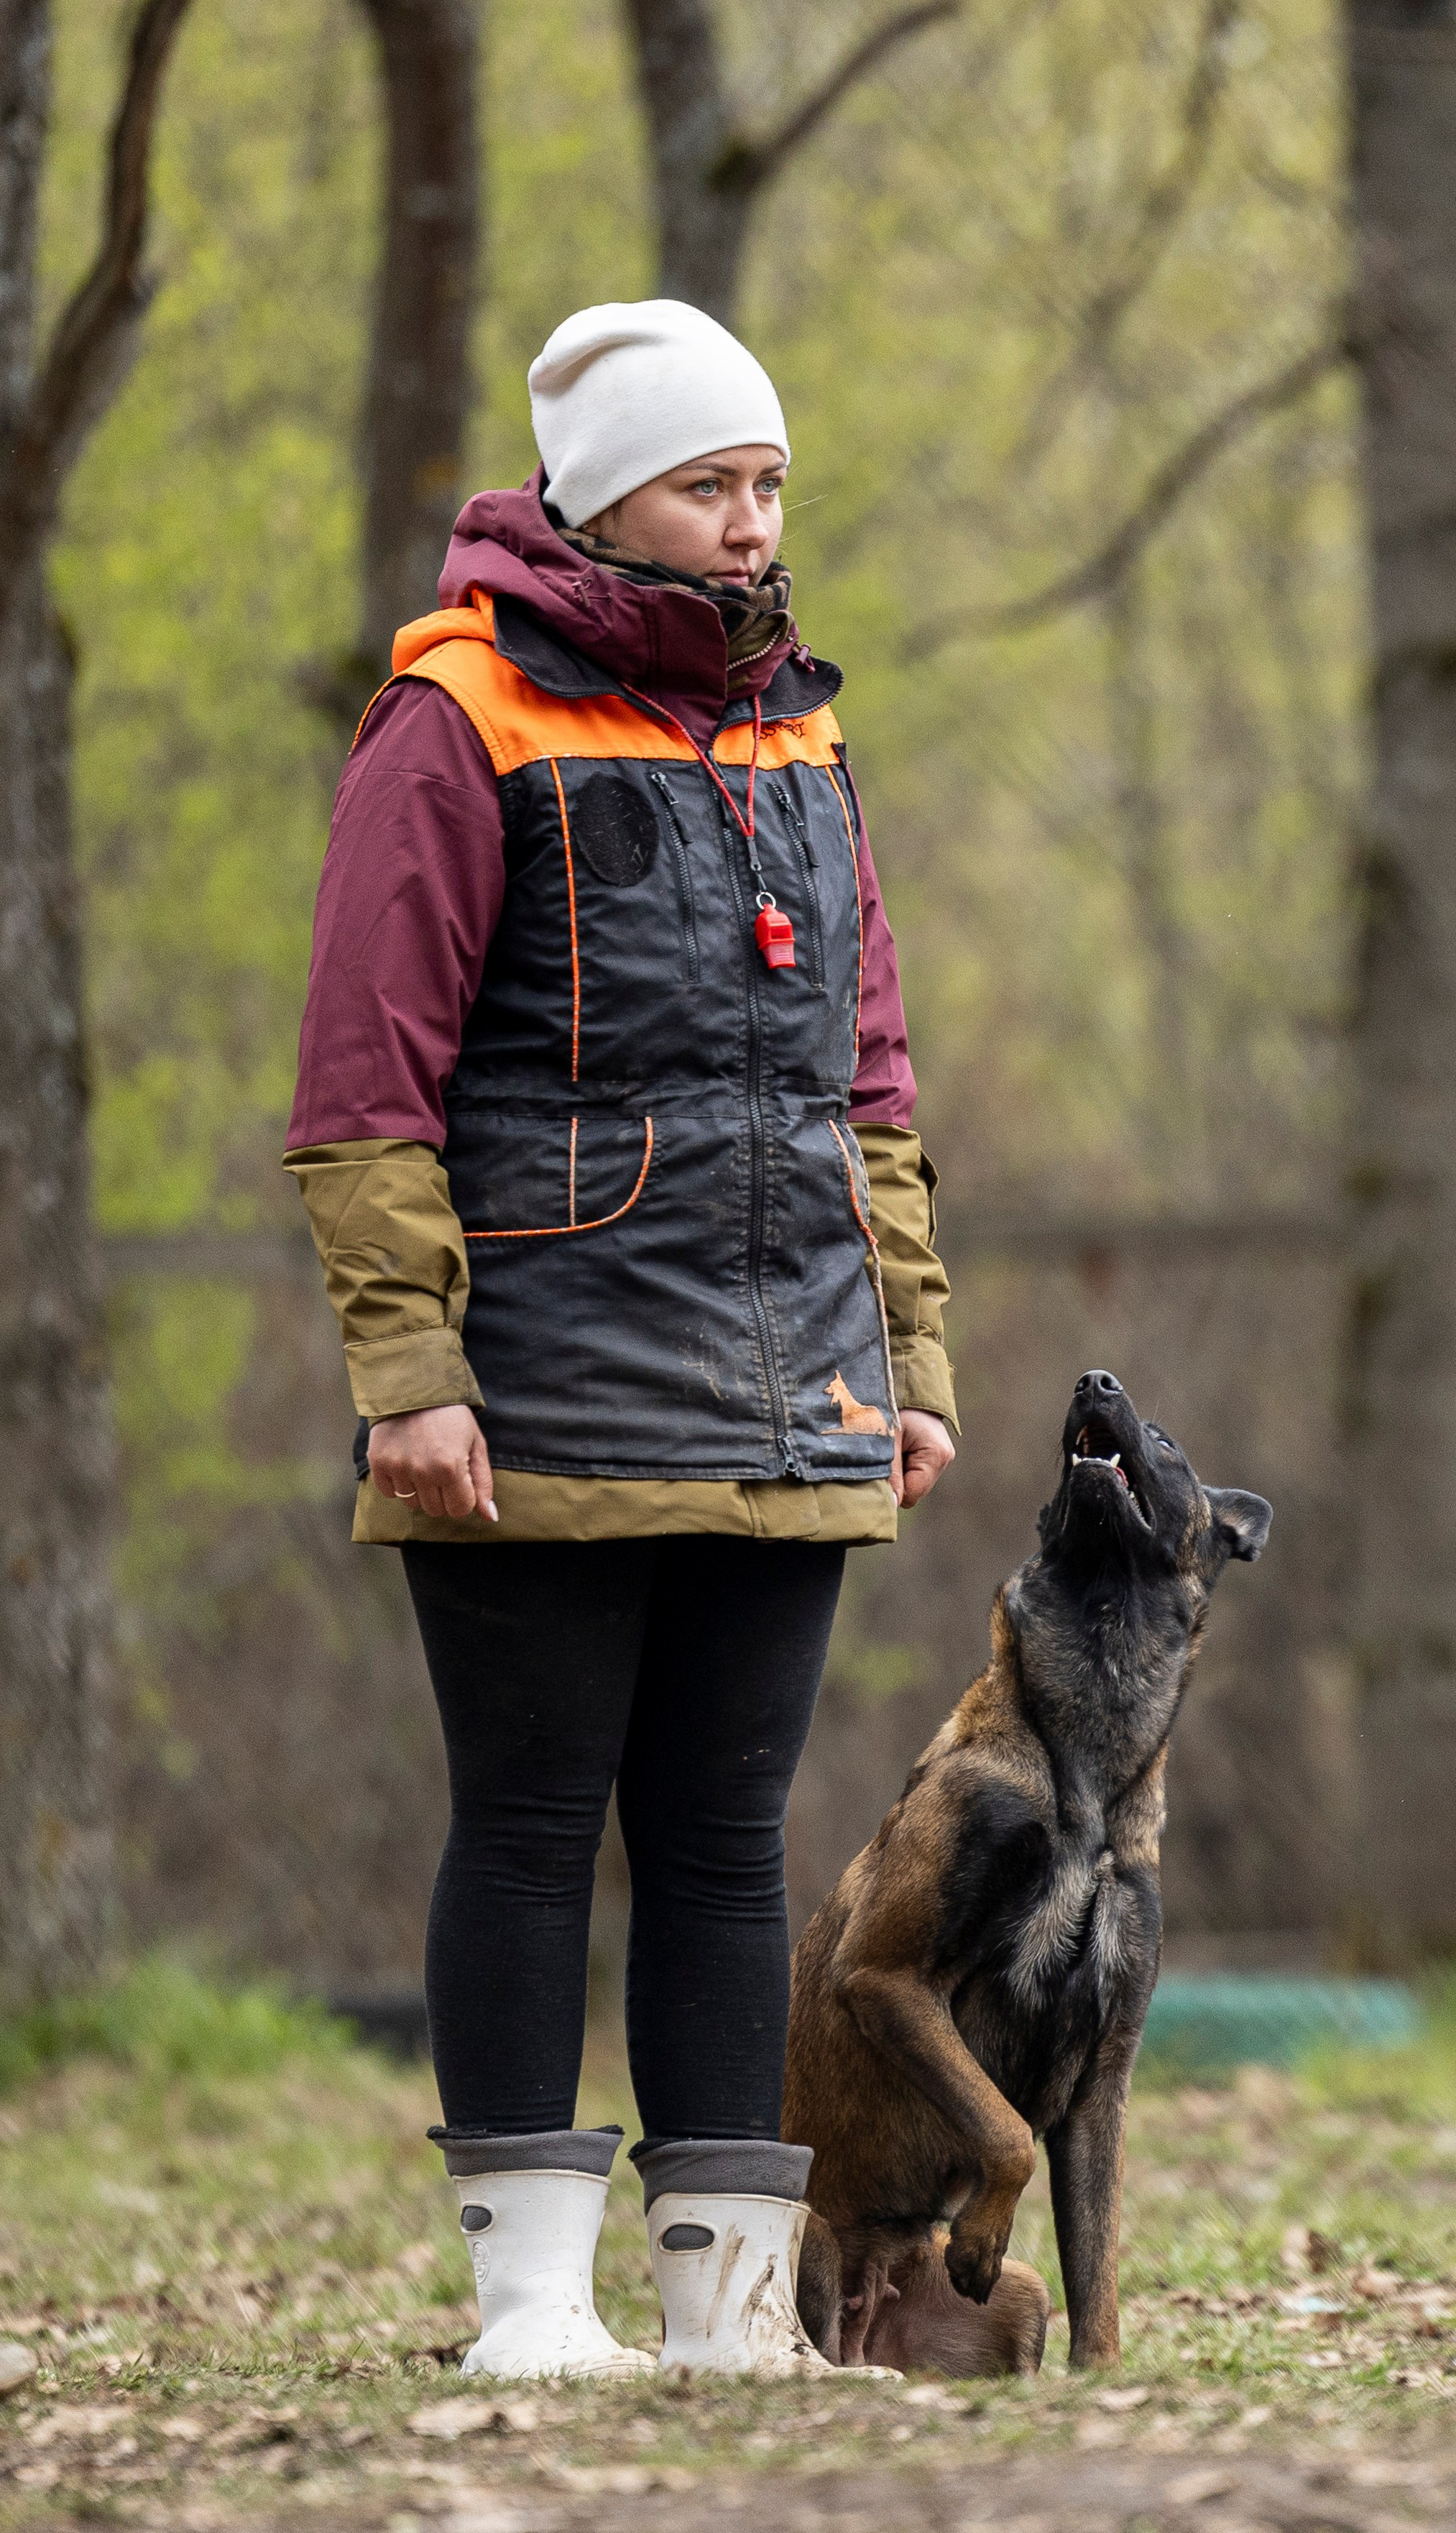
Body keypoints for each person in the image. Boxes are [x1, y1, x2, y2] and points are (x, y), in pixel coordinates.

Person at [284, 300, 957, 2378]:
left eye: (769, 485)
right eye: (708, 484)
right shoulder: (460, 719)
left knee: (727, 1836)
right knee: (526, 1823)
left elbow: (871, 1078)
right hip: (543, 1375)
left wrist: (911, 1357)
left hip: (791, 1384)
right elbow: (363, 1081)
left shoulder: (804, 738)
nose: (751, 526)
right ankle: (525, 2307)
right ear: (600, 498)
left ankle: (727, 2310)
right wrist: (411, 1371)